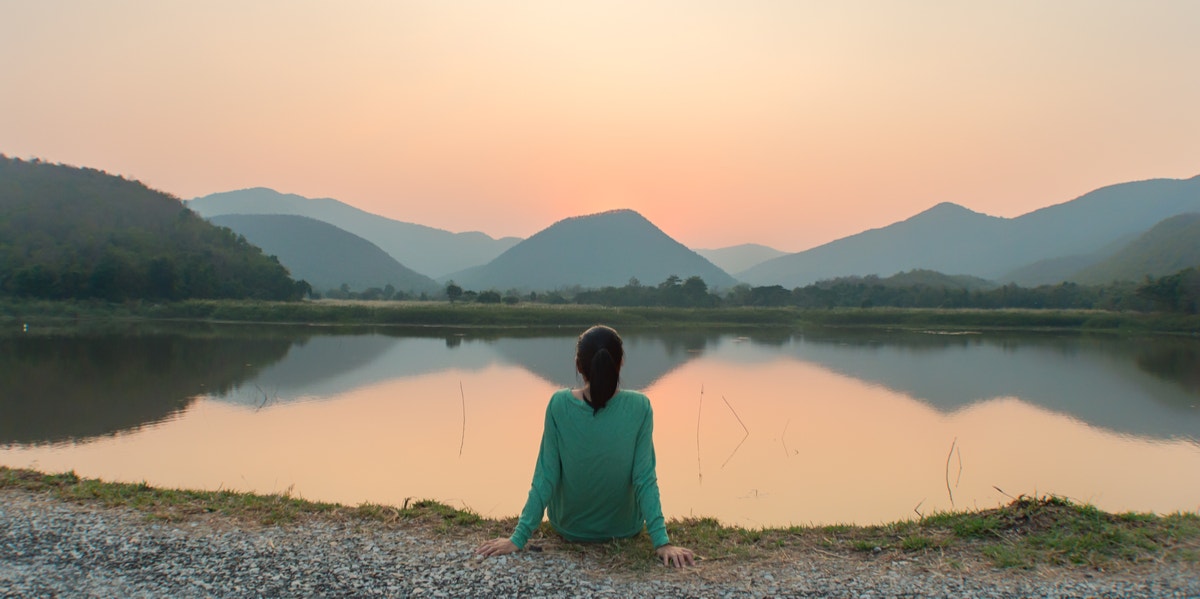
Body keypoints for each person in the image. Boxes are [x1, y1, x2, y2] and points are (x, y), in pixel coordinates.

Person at [475, 325, 696, 568]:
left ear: (579, 366)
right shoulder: (640, 406)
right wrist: (661, 542)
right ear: (620, 363)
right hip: (624, 528)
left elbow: (546, 475)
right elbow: (644, 477)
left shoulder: (559, 404)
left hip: (569, 527)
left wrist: (518, 538)